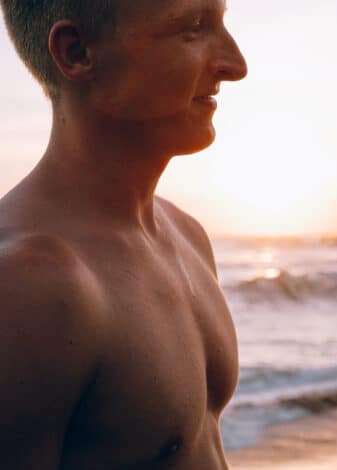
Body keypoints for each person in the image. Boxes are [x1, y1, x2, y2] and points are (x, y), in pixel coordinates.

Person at [0, 0, 246, 467]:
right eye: (194, 27)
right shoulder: (26, 286)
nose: (235, 65)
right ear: (76, 52)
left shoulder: (187, 236)